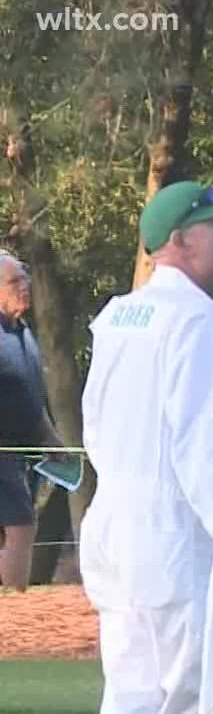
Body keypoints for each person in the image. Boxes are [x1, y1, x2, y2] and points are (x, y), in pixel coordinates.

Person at [59, 180, 213, 714]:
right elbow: (199, 442)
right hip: (169, 531)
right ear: (179, 242)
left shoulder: (119, 316)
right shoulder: (197, 320)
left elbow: (98, 420)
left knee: (133, 693)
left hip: (113, 522)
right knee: (187, 699)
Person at [0, 250, 62, 593]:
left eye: (25, 279)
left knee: (15, 527)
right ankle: (14, 605)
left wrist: (51, 439)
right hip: (2, 452)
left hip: (24, 454)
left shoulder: (22, 331)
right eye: (14, 282)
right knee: (21, 526)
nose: (25, 287)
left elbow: (29, 395)